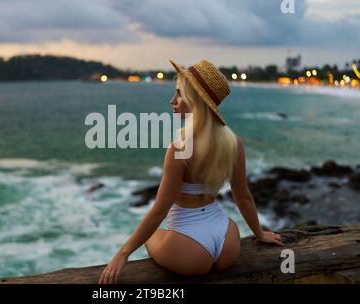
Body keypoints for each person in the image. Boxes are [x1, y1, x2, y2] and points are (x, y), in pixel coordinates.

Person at [98, 59, 284, 284]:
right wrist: (259, 233)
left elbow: (159, 210)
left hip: (190, 250)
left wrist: (122, 254)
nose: (172, 101)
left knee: (152, 238)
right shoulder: (234, 143)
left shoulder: (179, 148)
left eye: (179, 94)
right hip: (227, 239)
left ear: (195, 101)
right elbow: (243, 196)